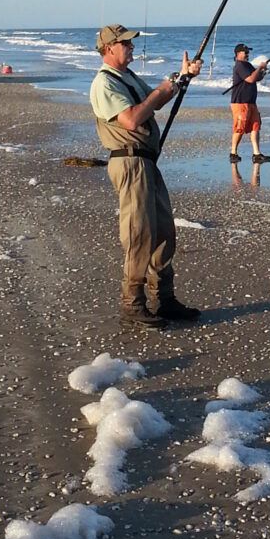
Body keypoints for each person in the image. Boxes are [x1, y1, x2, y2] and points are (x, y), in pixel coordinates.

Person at [90, 23, 203, 329]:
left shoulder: (125, 77)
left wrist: (181, 79)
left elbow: (153, 99)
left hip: (146, 162)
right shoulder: (104, 83)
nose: (131, 47)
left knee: (164, 231)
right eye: (125, 43)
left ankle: (164, 299)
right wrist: (163, 90)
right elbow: (131, 118)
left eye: (130, 42)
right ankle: (133, 304)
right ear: (109, 48)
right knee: (139, 233)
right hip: (130, 163)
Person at [230, 43, 270, 164]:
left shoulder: (247, 65)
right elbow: (250, 79)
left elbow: (257, 77)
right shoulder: (239, 66)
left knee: (255, 125)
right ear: (238, 54)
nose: (247, 54)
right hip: (240, 101)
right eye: (245, 52)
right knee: (240, 127)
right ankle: (233, 152)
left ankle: (256, 153)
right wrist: (259, 67)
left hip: (251, 101)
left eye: (248, 52)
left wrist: (262, 71)